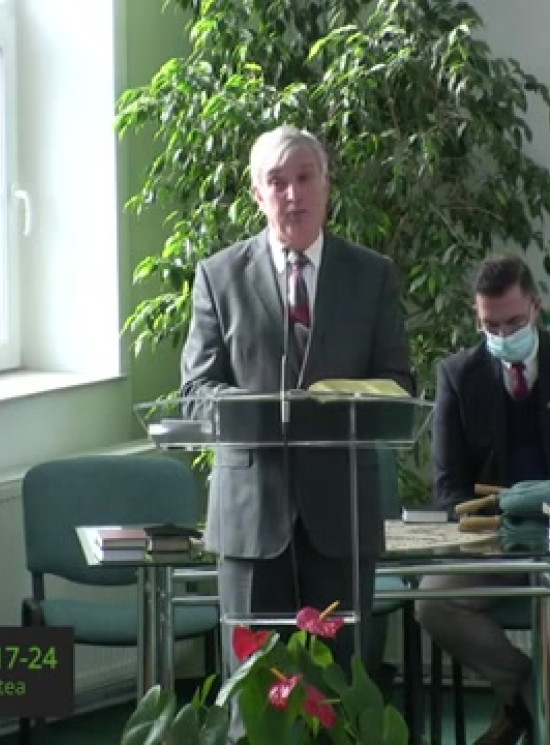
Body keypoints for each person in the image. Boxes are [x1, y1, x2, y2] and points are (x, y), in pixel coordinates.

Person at [179, 126, 415, 682]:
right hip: (251, 517)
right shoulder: (219, 275)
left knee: (336, 693)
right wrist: (262, 408)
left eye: (305, 178)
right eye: (277, 182)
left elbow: (398, 381)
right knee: (253, 693)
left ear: (327, 186)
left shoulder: (371, 275)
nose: (293, 194)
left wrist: (344, 401)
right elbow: (197, 392)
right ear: (257, 194)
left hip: (340, 517)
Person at [415, 253, 550, 745]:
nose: (503, 334)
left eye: (514, 322)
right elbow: (448, 488)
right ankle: (528, 697)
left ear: (536, 306)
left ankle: (520, 712)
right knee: (431, 601)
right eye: (490, 325)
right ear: (477, 319)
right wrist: (505, 518)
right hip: (495, 533)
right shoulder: (457, 374)